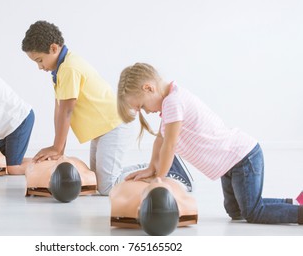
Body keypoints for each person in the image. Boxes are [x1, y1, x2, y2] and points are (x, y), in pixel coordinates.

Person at [116, 62, 303, 224]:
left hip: (242, 158)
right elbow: (161, 139)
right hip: (230, 164)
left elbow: (169, 146)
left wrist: (160, 179)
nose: (145, 112)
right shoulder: (171, 101)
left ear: (149, 88)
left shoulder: (173, 103)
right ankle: (294, 203)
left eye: (141, 106)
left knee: (253, 211)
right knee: (235, 211)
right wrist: (151, 168)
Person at [21, 21, 192, 195]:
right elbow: (59, 109)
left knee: (106, 186)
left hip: (115, 125)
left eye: (40, 60)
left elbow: (67, 111)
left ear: (54, 48)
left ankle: (170, 169)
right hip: (102, 129)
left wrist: (57, 148)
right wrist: (58, 149)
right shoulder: (60, 69)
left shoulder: (69, 69)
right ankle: (154, 167)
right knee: (96, 179)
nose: (39, 66)